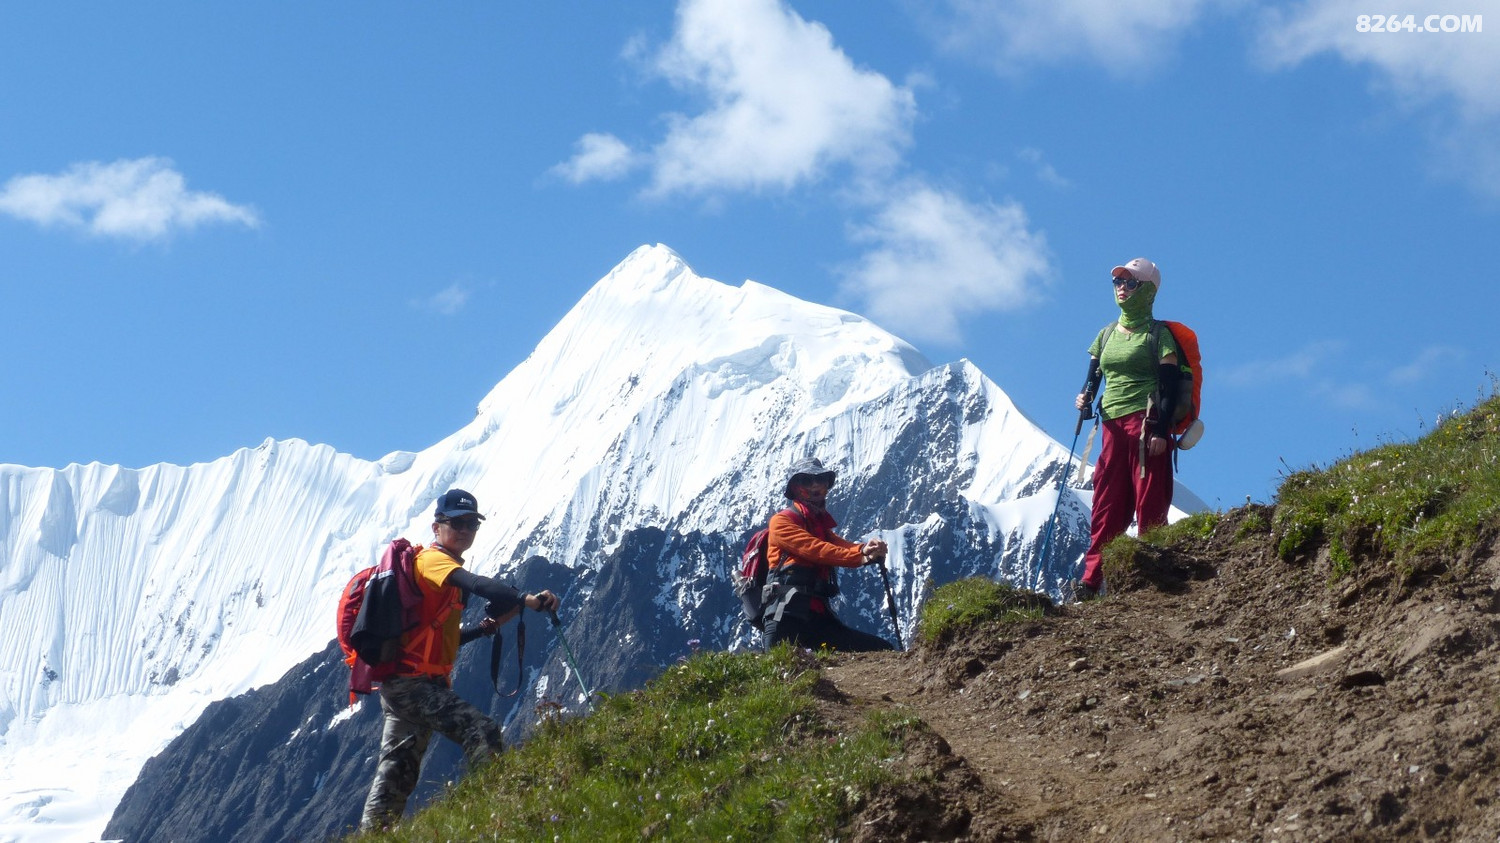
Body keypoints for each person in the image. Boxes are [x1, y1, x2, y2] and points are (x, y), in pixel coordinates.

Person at [360, 489, 561, 831]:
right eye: (456, 523)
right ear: (437, 527)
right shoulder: (433, 562)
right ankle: (497, 814)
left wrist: (486, 629)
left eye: (471, 524)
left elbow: (438, 640)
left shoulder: (441, 572)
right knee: (481, 730)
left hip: (404, 683)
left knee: (396, 771)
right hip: (413, 686)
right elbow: (478, 584)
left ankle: (373, 835)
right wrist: (525, 599)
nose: (465, 530)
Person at [1073, 258, 1179, 600]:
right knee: (1107, 502)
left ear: (1147, 290)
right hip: (1111, 428)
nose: (1122, 287)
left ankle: (1150, 574)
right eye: (1118, 281)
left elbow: (1170, 386)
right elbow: (1093, 378)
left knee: (1149, 500)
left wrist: (1162, 430)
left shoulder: (1159, 335)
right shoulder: (1105, 336)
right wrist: (1084, 398)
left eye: (1131, 282)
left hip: (1146, 425)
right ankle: (1092, 582)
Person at [761, 457, 895, 652]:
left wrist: (863, 550)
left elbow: (838, 545)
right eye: (807, 480)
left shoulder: (818, 526)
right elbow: (816, 549)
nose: (815, 485)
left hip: (816, 616)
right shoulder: (781, 522)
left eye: (820, 479)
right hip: (786, 617)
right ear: (796, 487)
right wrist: (860, 557)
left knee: (881, 649)